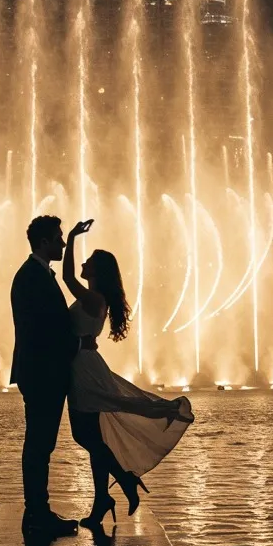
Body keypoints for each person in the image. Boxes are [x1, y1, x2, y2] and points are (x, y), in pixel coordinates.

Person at [61, 219, 193, 527]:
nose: (83, 263)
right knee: (92, 436)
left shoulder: (93, 298)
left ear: (97, 272)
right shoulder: (95, 298)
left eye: (89, 262)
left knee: (84, 434)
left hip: (83, 368)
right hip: (84, 364)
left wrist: (71, 237)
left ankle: (124, 480)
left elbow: (67, 277)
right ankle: (102, 502)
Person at [10, 215, 79, 537]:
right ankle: (37, 513)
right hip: (42, 373)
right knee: (39, 444)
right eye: (59, 238)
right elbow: (42, 328)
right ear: (44, 242)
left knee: (41, 444)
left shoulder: (35, 274)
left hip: (41, 371)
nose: (63, 244)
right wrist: (78, 343)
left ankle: (37, 510)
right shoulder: (31, 277)